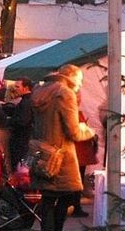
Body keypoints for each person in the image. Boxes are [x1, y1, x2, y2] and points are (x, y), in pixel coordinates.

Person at [29, 65, 95, 231]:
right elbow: (73, 132)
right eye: (79, 80)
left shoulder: (39, 90)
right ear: (71, 77)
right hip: (61, 155)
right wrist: (87, 130)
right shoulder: (65, 93)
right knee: (68, 195)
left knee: (48, 199)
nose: (80, 84)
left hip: (42, 152)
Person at [3, 77, 35, 169]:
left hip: (21, 142)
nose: (15, 89)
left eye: (17, 87)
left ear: (26, 88)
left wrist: (9, 120)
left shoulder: (26, 102)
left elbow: (22, 121)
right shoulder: (26, 101)